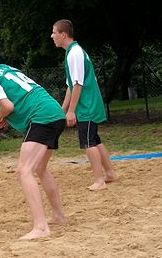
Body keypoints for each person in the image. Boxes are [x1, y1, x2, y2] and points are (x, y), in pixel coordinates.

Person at [0, 37, 67, 240]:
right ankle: (58, 216)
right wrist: (5, 114)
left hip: (42, 117)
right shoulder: (5, 69)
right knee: (39, 169)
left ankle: (40, 227)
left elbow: (8, 106)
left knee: (24, 171)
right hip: (54, 113)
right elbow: (19, 98)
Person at [50, 19, 118, 191]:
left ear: (63, 34)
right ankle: (110, 173)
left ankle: (99, 181)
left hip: (86, 105)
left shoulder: (75, 53)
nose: (52, 36)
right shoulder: (72, 52)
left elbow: (78, 84)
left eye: (54, 32)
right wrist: (63, 109)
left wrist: (71, 111)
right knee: (94, 139)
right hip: (87, 103)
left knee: (88, 142)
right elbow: (70, 86)